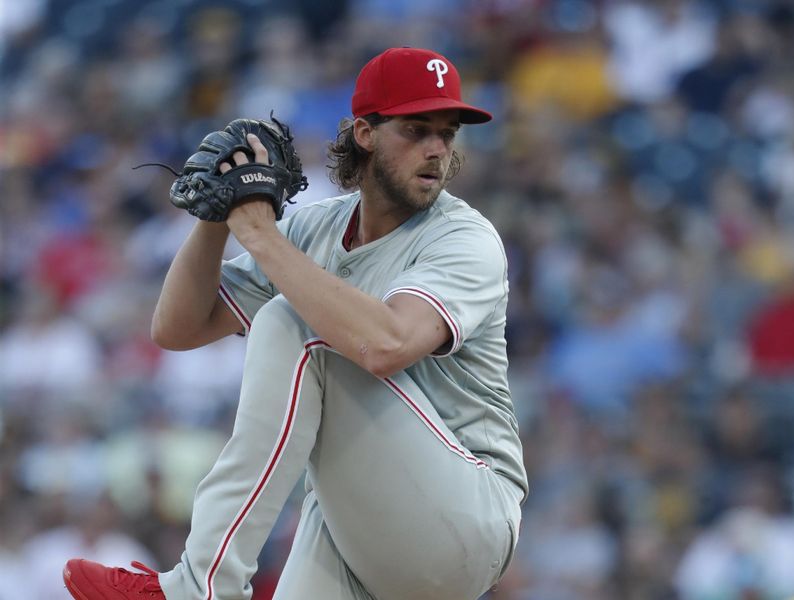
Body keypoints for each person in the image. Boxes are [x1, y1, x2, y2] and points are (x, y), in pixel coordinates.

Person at [63, 46, 528, 600]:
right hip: (355, 524)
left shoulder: (463, 238)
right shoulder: (317, 230)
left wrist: (259, 233)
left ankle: (197, 585)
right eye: (416, 129)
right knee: (303, 323)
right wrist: (218, 217)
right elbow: (178, 329)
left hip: (464, 511)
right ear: (365, 132)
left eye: (447, 132)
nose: (436, 149)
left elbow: (387, 344)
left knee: (299, 323)